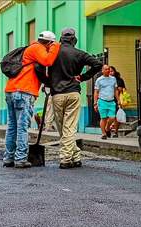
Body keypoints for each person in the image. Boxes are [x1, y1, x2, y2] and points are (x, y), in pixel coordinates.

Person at [3, 31, 60, 168]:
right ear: (48, 42)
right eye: (51, 45)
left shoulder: (30, 51)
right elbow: (48, 60)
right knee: (22, 127)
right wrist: (56, 46)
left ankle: (9, 158)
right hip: (23, 92)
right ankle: (21, 159)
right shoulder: (36, 48)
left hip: (12, 91)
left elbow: (38, 70)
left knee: (12, 127)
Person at [48, 27, 102, 169]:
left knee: (63, 128)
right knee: (69, 128)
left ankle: (65, 158)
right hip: (73, 93)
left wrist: (48, 82)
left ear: (61, 38)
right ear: (74, 39)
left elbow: (39, 67)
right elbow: (98, 64)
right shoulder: (79, 54)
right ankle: (75, 156)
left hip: (57, 94)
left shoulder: (52, 53)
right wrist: (83, 77)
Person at [94, 65, 120, 140]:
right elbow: (96, 91)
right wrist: (95, 103)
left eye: (109, 69)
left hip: (111, 101)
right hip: (102, 101)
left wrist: (118, 100)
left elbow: (115, 90)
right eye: (106, 69)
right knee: (103, 118)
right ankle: (103, 133)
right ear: (102, 70)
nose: (108, 70)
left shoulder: (113, 79)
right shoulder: (99, 80)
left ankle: (107, 128)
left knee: (112, 118)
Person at [109, 66, 126, 138]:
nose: (110, 73)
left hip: (117, 100)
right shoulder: (105, 80)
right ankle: (108, 130)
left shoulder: (119, 80)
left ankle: (115, 132)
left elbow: (121, 89)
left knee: (116, 117)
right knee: (109, 117)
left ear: (115, 71)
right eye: (109, 71)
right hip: (108, 100)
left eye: (112, 71)